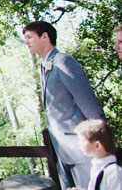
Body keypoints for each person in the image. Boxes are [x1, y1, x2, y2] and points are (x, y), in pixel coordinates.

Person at [23, 21, 105, 190]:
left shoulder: (64, 61)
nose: (26, 42)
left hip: (82, 151)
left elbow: (88, 104)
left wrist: (102, 141)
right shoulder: (43, 66)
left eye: (29, 37)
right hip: (62, 153)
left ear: (45, 36)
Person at [74, 119, 122, 190]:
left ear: (97, 145)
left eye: (82, 140)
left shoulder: (114, 172)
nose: (79, 143)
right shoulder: (97, 166)